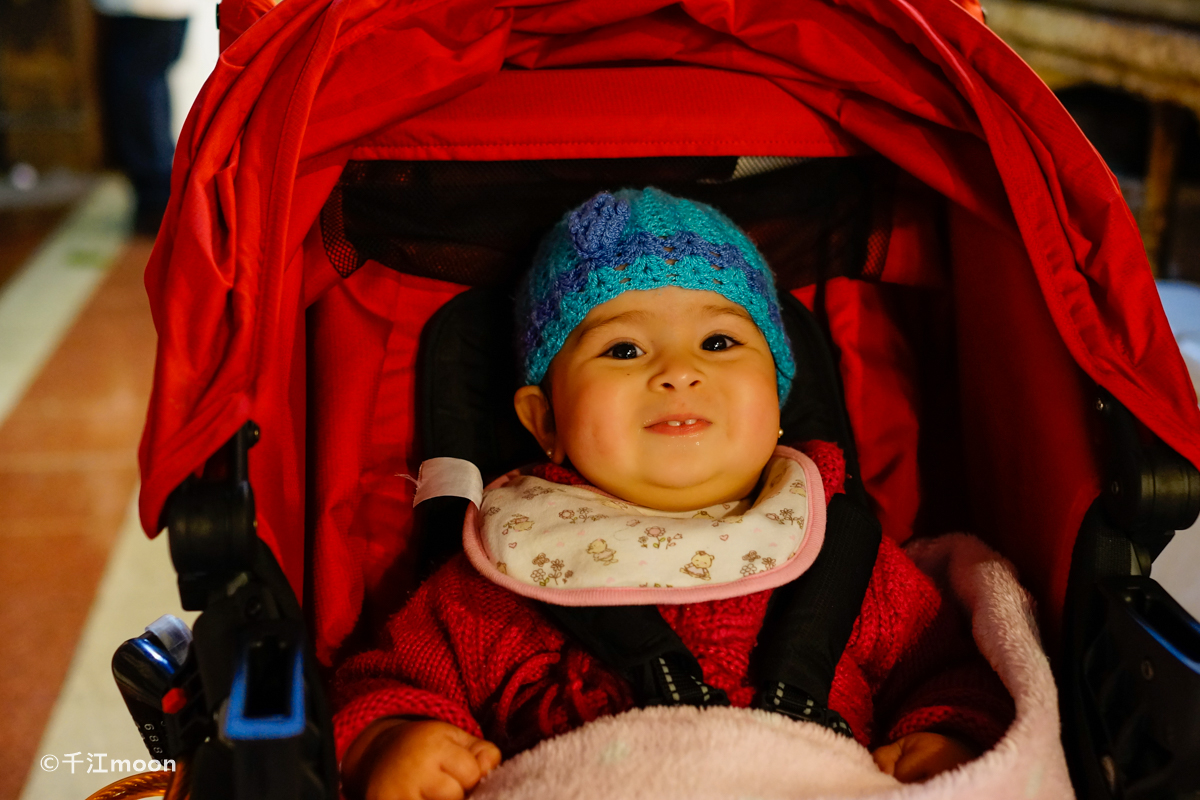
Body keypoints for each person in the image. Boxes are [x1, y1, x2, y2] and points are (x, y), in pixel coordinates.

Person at [333, 189, 1013, 800]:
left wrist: (943, 736)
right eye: (623, 350)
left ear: (778, 404)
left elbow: (947, 675)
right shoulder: (501, 579)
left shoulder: (843, 556)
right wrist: (392, 739)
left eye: (718, 341)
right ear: (546, 421)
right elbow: (385, 680)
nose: (678, 372)